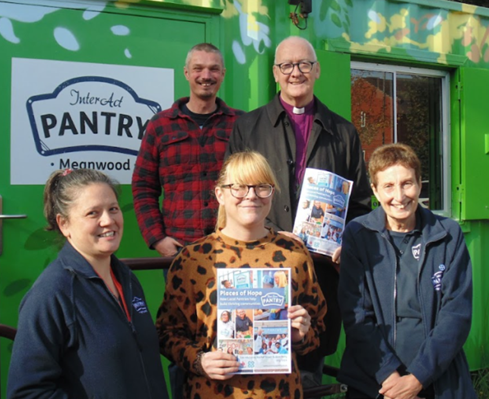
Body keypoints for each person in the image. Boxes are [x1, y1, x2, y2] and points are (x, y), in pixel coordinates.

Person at [225, 36, 372, 384]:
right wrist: (273, 232)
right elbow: (232, 196)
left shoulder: (344, 132)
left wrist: (346, 241)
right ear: (275, 73)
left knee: (308, 376)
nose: (296, 72)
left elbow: (361, 204)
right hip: (258, 271)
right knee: (252, 377)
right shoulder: (248, 127)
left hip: (317, 278)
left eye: (304, 64)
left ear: (317, 70)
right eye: (287, 66)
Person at [156, 151, 326, 399]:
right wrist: (199, 361)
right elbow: (165, 332)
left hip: (280, 393)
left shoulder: (294, 253)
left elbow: (318, 327)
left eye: (262, 187)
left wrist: (301, 335)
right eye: (239, 187)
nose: (251, 196)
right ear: (220, 194)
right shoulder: (194, 258)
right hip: (211, 392)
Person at [7, 169, 168, 399]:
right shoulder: (51, 295)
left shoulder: (126, 278)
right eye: (93, 213)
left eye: (113, 209)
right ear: (64, 224)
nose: (108, 220)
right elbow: (27, 393)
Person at [338, 144, 476, 399]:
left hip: (438, 380)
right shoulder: (358, 235)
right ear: (375, 191)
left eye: (407, 183)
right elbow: (356, 315)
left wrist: (417, 379)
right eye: (388, 186)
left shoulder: (447, 235)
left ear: (419, 185)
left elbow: (456, 315)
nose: (399, 196)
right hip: (374, 383)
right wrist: (390, 377)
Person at [132, 42, 244, 258]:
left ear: (223, 74)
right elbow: (143, 187)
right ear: (186, 73)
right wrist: (157, 239)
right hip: (179, 250)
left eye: (213, 69)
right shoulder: (160, 125)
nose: (206, 75)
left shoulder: (241, 124)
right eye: (198, 68)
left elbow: (257, 183)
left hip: (232, 247)